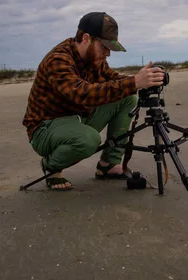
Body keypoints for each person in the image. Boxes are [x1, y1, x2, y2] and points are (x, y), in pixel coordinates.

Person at [22, 11, 165, 191]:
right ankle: (51, 166)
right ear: (86, 39)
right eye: (104, 47)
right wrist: (134, 82)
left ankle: (108, 164)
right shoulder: (58, 59)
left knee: (127, 96)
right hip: (45, 128)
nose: (107, 53)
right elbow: (82, 94)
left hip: (79, 118)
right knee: (89, 140)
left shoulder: (95, 60)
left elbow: (114, 80)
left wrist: (143, 81)